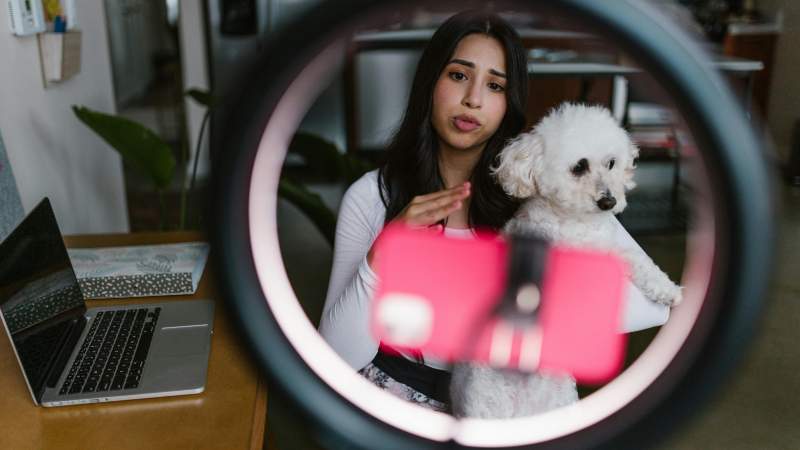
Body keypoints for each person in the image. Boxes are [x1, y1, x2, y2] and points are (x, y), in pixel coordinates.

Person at [319, 10, 529, 413]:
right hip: (391, 403)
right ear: (430, 82)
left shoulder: (530, 206)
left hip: (499, 409)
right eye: (458, 75)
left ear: (509, 104)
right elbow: (334, 362)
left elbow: (650, 305)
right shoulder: (371, 196)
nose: (473, 99)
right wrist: (384, 253)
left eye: (495, 85)